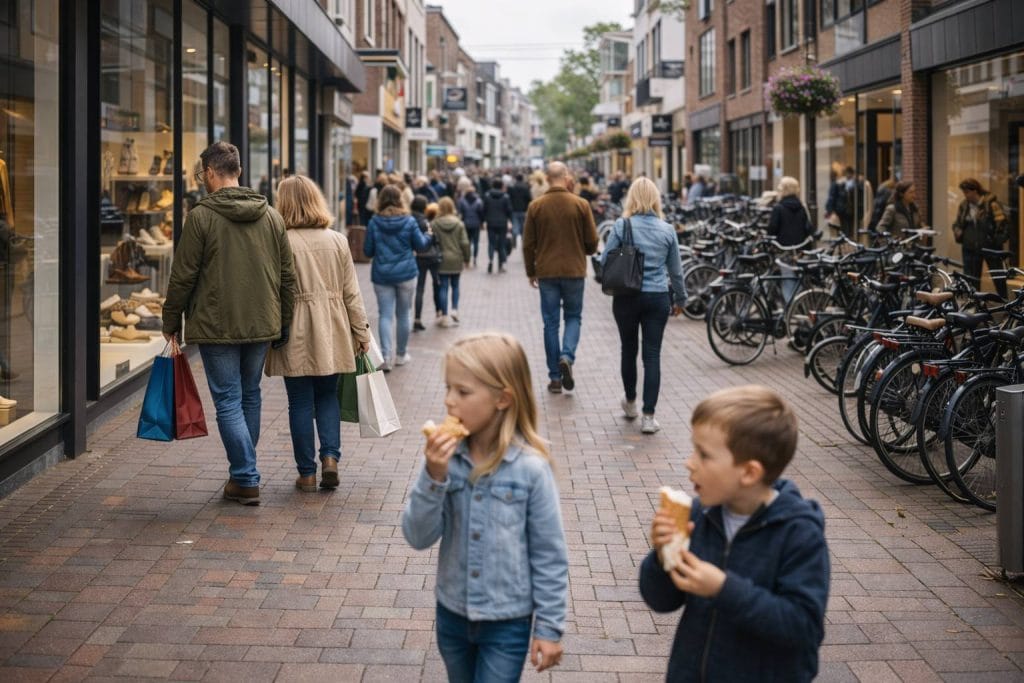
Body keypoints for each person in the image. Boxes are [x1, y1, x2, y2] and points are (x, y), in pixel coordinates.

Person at [401, 333, 569, 681]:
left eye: (462, 392)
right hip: (452, 616)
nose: (449, 401)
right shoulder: (445, 461)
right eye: (448, 388)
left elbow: (549, 554)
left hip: (507, 622)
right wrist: (434, 476)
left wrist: (550, 627)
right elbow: (417, 536)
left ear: (502, 398)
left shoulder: (531, 470)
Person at [640, 385, 830, 682]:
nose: (689, 463)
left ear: (749, 473)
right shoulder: (699, 515)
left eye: (703, 454)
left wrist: (722, 589)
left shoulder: (798, 534)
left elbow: (803, 628)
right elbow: (661, 600)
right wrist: (663, 555)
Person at [162, 141, 296, 506]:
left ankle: (245, 476)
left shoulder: (201, 217)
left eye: (200, 174)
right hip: (261, 322)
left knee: (228, 401)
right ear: (237, 171)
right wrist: (284, 321)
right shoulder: (270, 215)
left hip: (216, 324)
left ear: (209, 172)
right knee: (248, 395)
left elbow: (183, 276)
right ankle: (243, 471)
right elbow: (288, 276)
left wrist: (170, 320)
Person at [264, 176, 371, 492]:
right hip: (332, 327)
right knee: (327, 396)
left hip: (294, 328)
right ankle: (330, 459)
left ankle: (306, 473)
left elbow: (272, 291)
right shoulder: (337, 240)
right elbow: (352, 293)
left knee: (298, 401)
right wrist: (361, 331)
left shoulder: (280, 240)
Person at [600, 178, 686, 435]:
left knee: (628, 349)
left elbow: (605, 259)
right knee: (652, 355)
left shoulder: (621, 225)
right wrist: (680, 299)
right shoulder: (667, 230)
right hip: (657, 297)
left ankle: (630, 403)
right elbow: (676, 271)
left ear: (632, 198)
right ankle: (649, 416)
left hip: (626, 296)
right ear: (656, 199)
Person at [522, 161, 599, 394]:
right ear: (566, 177)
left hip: (547, 272)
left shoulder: (536, 206)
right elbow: (593, 242)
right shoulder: (581, 204)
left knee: (550, 323)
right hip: (574, 271)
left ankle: (555, 377)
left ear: (547, 178)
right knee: (574, 317)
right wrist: (583, 250)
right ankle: (567, 356)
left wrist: (530, 271)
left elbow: (528, 244)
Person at [364, 185, 433, 371]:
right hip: (406, 274)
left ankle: (386, 356)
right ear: (401, 199)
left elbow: (367, 251)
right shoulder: (409, 221)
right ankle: (401, 354)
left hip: (382, 275)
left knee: (385, 315)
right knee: (404, 314)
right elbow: (421, 246)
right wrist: (429, 235)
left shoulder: (374, 222)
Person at [953, 178, 1010, 298]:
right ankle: (975, 303)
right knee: (972, 279)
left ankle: (1005, 303)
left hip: (990, 247)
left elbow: (1003, 225)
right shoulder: (964, 206)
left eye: (967, 192)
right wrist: (958, 232)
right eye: (964, 192)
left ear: (975, 191)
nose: (965, 195)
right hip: (970, 247)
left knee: (998, 277)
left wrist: (995, 241)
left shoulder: (991, 204)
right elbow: (957, 224)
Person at [767, 176, 815, 303]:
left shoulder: (778, 208)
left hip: (784, 249)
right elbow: (808, 228)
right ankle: (799, 303)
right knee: (797, 278)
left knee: (787, 279)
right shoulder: (802, 207)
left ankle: (790, 310)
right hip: (800, 249)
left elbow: (772, 229)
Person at [431, 197, 471, 327]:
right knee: (455, 285)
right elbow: (464, 243)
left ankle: (444, 315)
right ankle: (454, 309)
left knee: (443, 287)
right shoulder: (459, 223)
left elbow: (431, 241)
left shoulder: (435, 224)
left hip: (441, 259)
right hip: (456, 258)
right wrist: (467, 259)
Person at [411, 196, 442, 332]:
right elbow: (432, 240)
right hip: (432, 257)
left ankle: (417, 318)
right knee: (437, 283)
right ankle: (439, 311)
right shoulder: (426, 222)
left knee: (420, 288)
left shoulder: (410, 220)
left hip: (419, 258)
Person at [483, 178, 513, 274]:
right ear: (501, 186)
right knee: (501, 244)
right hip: (502, 222)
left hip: (491, 222)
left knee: (491, 243)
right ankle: (501, 264)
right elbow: (509, 210)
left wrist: (484, 220)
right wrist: (509, 220)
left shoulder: (487, 196)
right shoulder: (505, 197)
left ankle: (490, 260)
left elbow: (484, 209)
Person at [457, 184, 485, 268]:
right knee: (476, 242)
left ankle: (467, 259)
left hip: (466, 224)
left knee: (467, 242)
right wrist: (482, 223)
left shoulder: (462, 200)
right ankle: (475, 258)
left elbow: (460, 212)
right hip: (476, 224)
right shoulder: (478, 201)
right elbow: (481, 213)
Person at [508, 173, 532, 250]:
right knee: (523, 226)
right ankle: (523, 240)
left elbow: (509, 198)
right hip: (524, 209)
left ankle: (514, 239)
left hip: (514, 209)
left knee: (515, 225)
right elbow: (529, 198)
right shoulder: (526, 187)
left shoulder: (512, 187)